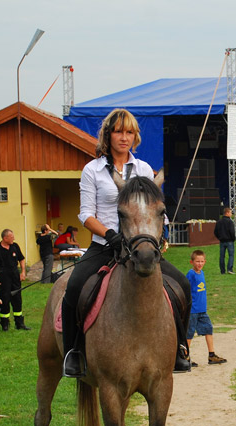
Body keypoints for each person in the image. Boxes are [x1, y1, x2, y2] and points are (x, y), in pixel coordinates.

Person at [61, 108, 191, 378]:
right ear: (107, 135)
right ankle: (74, 352)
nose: (124, 137)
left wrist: (161, 235)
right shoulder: (92, 170)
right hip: (104, 245)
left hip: (141, 245)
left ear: (135, 136)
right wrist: (110, 234)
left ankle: (179, 347)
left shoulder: (143, 169)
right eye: (118, 131)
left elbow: (156, 208)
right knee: (74, 287)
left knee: (184, 286)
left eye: (129, 131)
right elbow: (85, 214)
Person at [186, 250, 227, 366]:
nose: (199, 264)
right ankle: (185, 357)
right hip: (193, 310)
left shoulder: (201, 273)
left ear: (205, 262)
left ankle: (212, 355)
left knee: (208, 329)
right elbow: (185, 289)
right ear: (191, 262)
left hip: (202, 310)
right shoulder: (191, 274)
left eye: (202, 261)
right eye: (197, 261)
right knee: (189, 333)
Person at [0, 229, 29, 331]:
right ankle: (4, 324)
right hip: (3, 277)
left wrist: (23, 272)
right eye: (11, 237)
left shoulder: (15, 246)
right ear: (5, 238)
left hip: (15, 275)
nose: (13, 238)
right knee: (4, 300)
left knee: (17, 299)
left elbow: (21, 259)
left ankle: (20, 323)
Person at [214, 207, 236, 274]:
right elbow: (232, 232)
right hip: (229, 241)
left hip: (222, 241)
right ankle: (230, 269)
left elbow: (215, 232)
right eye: (230, 212)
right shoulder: (230, 222)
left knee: (222, 256)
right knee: (231, 255)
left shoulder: (219, 222)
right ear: (227, 213)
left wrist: (219, 238)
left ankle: (222, 271)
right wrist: (233, 239)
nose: (231, 214)